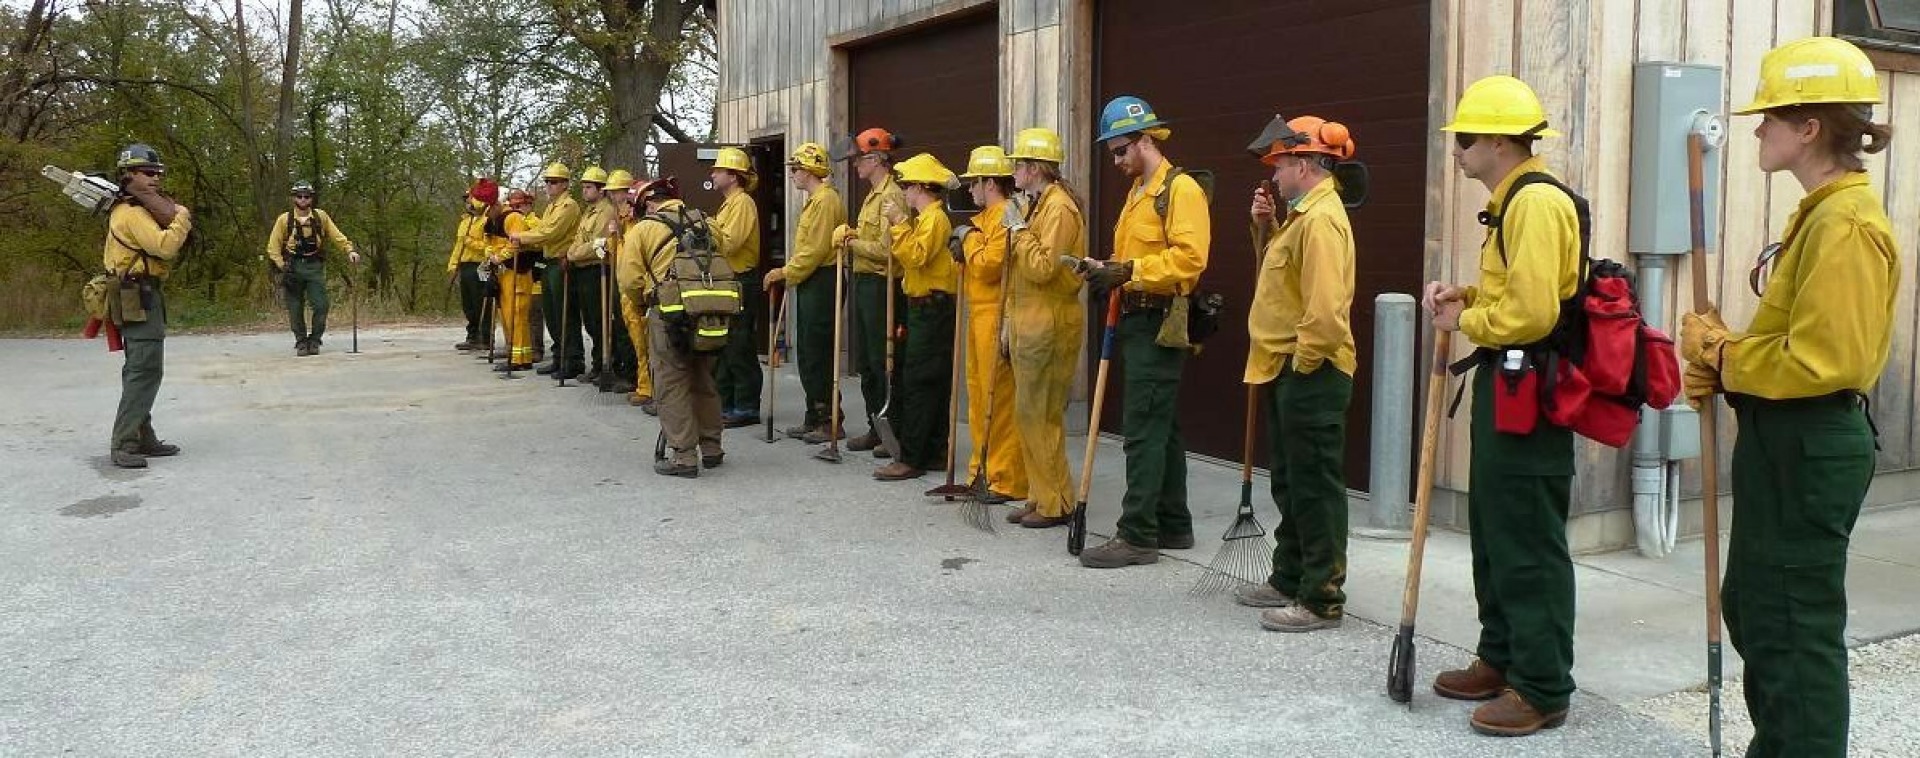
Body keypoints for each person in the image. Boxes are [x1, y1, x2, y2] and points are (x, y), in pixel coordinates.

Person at [1682, 36, 1898, 758]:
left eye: (1771, 115)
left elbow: (1820, 361)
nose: (1757, 128)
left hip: (1810, 439)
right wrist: (1728, 362)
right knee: (1758, 607)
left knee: (1793, 622)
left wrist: (1722, 353)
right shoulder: (1819, 214)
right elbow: (1792, 345)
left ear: (1810, 126)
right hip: (1784, 437)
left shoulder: (1847, 226)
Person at [1422, 74, 1583, 737]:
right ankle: (1503, 655)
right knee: (1493, 528)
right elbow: (1513, 296)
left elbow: (1532, 310)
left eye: (1462, 138)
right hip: (1506, 383)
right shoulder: (1511, 201)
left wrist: (1469, 319)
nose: (1455, 149)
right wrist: (1466, 297)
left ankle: (1542, 685)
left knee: (1525, 537)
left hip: (1532, 390)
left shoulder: (1536, 204)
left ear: (1495, 140)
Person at [1230, 115, 1360, 634]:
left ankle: (1321, 598)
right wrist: (1264, 227)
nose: (1274, 176)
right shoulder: (1301, 217)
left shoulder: (1323, 220)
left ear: (1303, 165)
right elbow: (1280, 282)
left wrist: (1303, 364)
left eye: (1280, 165)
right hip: (1291, 368)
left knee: (1315, 487)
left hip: (1312, 371)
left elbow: (1325, 310)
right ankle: (1289, 577)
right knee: (1290, 481)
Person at [1075, 96, 1210, 569]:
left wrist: (1128, 271)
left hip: (1159, 320)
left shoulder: (1182, 190)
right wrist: (1105, 271)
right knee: (1163, 427)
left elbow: (1190, 261)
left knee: (1143, 428)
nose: (1115, 162)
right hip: (1134, 314)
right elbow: (1127, 258)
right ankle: (1174, 523)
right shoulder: (1138, 193)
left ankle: (1136, 535)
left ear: (1145, 140)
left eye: (1119, 151)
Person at [999, 128, 1085, 528]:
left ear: (1034, 168)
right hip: (1030, 320)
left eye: (1018, 164)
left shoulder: (1059, 209)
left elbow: (1042, 267)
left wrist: (1017, 231)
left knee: (1042, 413)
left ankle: (1058, 502)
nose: (1013, 171)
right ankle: (1040, 494)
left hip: (1049, 320)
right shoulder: (1038, 205)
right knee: (1028, 412)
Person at [622, 178, 725, 477]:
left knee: (671, 381)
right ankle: (712, 448)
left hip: (668, 313)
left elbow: (629, 279)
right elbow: (724, 256)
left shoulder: (644, 229)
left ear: (649, 204)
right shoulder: (707, 222)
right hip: (708, 311)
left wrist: (642, 302)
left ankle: (684, 456)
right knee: (703, 377)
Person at [101, 144, 193, 469]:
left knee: (140, 368)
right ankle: (124, 442)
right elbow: (165, 247)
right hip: (136, 295)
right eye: (148, 172)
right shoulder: (132, 214)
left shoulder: (128, 209)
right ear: (129, 175)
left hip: (140, 293)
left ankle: (143, 435)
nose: (155, 178)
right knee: (144, 369)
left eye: (157, 173)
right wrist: (181, 217)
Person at [873, 154, 960, 481]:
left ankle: (911, 456)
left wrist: (898, 224)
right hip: (926, 305)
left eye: (908, 185)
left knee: (920, 381)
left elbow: (915, 255)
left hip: (931, 308)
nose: (904, 191)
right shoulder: (927, 219)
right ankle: (934, 449)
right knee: (932, 379)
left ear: (923, 186)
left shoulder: (933, 220)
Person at [951, 145, 1026, 505]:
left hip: (998, 315)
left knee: (1000, 401)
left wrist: (967, 240)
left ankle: (1005, 478)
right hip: (979, 314)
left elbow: (990, 265)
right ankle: (981, 470)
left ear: (989, 182)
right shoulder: (986, 219)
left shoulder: (1008, 214)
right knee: (980, 398)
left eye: (974, 182)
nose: (969, 189)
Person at [765, 142, 847, 441]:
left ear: (809, 170)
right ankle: (814, 414)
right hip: (811, 278)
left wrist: (785, 272)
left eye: (795, 169)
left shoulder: (825, 202)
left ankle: (829, 419)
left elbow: (815, 250)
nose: (792, 175)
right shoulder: (814, 201)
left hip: (823, 278)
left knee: (818, 352)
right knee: (809, 353)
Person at [834, 128, 907, 457]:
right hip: (865, 282)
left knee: (881, 360)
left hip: (881, 284)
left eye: (859, 159)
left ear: (876, 159)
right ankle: (874, 426)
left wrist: (852, 242)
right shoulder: (872, 194)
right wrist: (853, 233)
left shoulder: (892, 196)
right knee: (865, 360)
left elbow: (887, 250)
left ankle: (889, 426)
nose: (854, 166)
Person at [266, 181, 359, 356]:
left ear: (311, 199)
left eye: (306, 196)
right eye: (299, 196)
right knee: (295, 307)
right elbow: (273, 247)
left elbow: (336, 236)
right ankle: (301, 342)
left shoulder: (320, 217)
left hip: (314, 265)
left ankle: (315, 340)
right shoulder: (284, 220)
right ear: (293, 198)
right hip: (292, 266)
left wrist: (350, 251)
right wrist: (282, 266)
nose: (302, 199)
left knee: (321, 305)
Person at [706, 147, 765, 427]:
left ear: (733, 175)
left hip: (741, 279)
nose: (713, 174)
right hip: (728, 280)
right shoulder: (730, 204)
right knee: (726, 343)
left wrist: (706, 229)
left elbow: (730, 243)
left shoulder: (742, 203)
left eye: (718, 170)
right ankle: (727, 402)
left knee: (739, 344)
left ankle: (746, 405)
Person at [512, 163, 582, 379]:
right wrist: (527, 241)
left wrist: (521, 237)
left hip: (562, 262)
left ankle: (573, 359)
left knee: (564, 313)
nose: (548, 186)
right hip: (548, 261)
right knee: (551, 313)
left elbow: (551, 232)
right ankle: (559, 356)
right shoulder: (551, 207)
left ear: (564, 184)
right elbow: (542, 230)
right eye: (547, 182)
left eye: (553, 182)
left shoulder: (569, 206)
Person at [564, 167, 626, 387]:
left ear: (601, 190)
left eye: (589, 187)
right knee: (590, 321)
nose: (585, 191)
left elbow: (597, 244)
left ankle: (608, 363)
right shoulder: (587, 213)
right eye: (583, 187)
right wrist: (574, 252)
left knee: (601, 321)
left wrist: (574, 254)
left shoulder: (607, 212)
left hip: (598, 270)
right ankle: (598, 364)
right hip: (583, 270)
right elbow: (578, 241)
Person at [610, 172, 655, 407]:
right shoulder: (622, 220)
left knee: (644, 339)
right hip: (625, 285)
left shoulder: (640, 222)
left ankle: (648, 387)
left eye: (621, 193)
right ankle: (643, 384)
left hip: (638, 285)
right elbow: (617, 251)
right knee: (636, 339)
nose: (617, 198)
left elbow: (638, 255)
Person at [488, 187, 541, 371]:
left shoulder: (513, 218)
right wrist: (490, 254)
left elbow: (515, 245)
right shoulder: (495, 220)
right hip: (505, 273)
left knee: (517, 315)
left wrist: (498, 257)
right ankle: (518, 355)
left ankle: (519, 359)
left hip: (518, 272)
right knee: (509, 316)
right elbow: (492, 243)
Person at [601, 169, 640, 396]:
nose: (614, 197)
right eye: (612, 193)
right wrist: (608, 241)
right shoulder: (617, 216)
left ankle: (633, 375)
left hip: (631, 278)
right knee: (621, 325)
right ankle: (625, 371)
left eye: (616, 192)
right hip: (619, 275)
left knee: (632, 329)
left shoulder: (635, 216)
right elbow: (616, 247)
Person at [448, 178, 498, 351]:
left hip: (481, 265)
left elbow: (488, 246)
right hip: (466, 265)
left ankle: (485, 337)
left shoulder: (486, 220)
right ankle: (472, 335)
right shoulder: (464, 222)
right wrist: (453, 266)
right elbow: (458, 246)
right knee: (468, 303)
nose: (467, 202)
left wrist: (471, 243)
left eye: (469, 198)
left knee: (482, 301)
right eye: (465, 200)